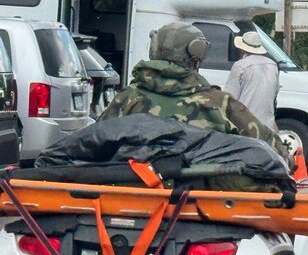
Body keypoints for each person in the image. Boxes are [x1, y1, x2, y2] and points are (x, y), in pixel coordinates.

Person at [99, 22, 291, 165]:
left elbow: (95, 140)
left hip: (136, 197)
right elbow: (272, 149)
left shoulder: (127, 98)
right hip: (202, 201)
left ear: (154, 50)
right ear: (197, 58)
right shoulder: (219, 103)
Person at [223, 30, 280, 132]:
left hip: (245, 124)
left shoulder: (240, 66)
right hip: (267, 125)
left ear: (242, 49)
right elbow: (274, 94)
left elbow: (230, 98)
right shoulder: (273, 65)